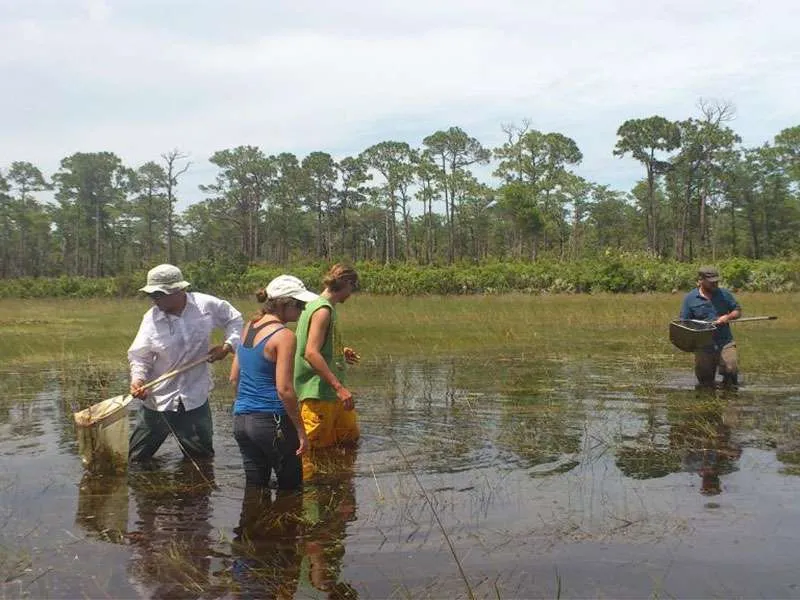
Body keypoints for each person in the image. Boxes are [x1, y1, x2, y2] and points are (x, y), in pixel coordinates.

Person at [128, 263, 243, 461]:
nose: (154, 299)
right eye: (151, 295)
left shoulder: (206, 306)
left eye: (159, 294)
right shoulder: (151, 319)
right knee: (136, 459)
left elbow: (235, 320)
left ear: (179, 290)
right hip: (158, 400)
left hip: (194, 398)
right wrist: (138, 380)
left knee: (201, 458)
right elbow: (140, 356)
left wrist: (227, 346)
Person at [229, 275, 314, 490]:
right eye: (300, 305)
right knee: (291, 490)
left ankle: (252, 523)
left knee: (255, 489)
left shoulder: (250, 326)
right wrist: (301, 431)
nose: (303, 310)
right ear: (285, 304)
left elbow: (233, 378)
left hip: (242, 421)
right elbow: (285, 390)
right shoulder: (284, 335)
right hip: (272, 422)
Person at [294, 265, 361, 456]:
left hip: (332, 395)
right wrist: (339, 388)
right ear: (347, 284)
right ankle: (313, 485)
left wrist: (340, 351)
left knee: (349, 441)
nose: (352, 293)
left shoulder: (323, 307)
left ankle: (342, 482)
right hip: (319, 393)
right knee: (313, 450)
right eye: (353, 287)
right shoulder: (322, 310)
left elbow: (315, 343)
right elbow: (311, 353)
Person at [679, 265, 742, 389]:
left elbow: (737, 311)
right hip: (703, 345)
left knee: (731, 370)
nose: (715, 284)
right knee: (705, 382)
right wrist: (698, 327)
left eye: (717, 281)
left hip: (725, 341)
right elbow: (684, 323)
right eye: (711, 282)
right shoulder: (690, 299)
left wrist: (727, 317)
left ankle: (729, 398)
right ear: (701, 280)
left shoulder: (724, 294)